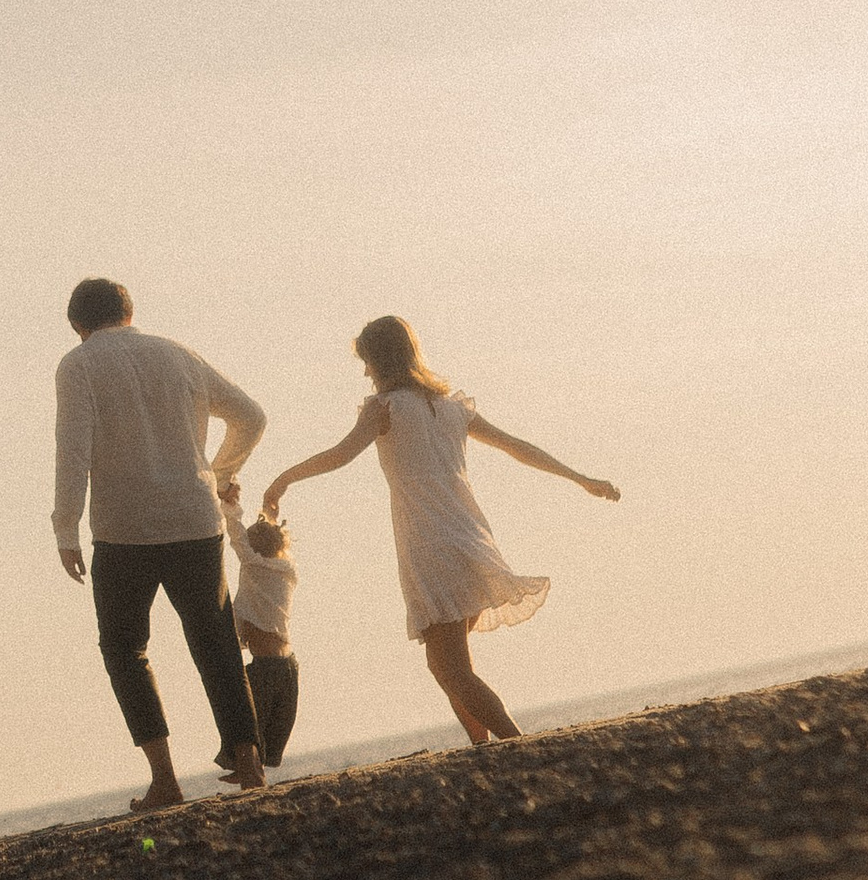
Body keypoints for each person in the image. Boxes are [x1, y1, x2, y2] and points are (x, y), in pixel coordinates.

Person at [263, 312, 618, 748]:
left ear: (381, 359)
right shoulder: (451, 408)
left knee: (450, 668)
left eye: (367, 361)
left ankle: (515, 743)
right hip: (469, 535)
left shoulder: (384, 408)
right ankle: (483, 746)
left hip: (429, 540)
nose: (365, 371)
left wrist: (285, 478)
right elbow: (517, 447)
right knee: (449, 664)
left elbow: (341, 454)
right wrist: (580, 478)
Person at [53, 277, 267, 810]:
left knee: (125, 649)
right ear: (130, 312)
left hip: (125, 529)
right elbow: (251, 416)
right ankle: (248, 762)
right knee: (214, 642)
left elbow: (73, 449)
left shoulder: (78, 366)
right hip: (195, 518)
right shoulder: (177, 354)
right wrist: (219, 473)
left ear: (79, 326)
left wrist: (65, 526)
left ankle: (165, 779)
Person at [218, 475, 301, 765]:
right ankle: (250, 772)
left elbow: (239, 538)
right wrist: (270, 513)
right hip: (288, 665)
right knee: (269, 735)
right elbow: (270, 535)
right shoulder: (287, 570)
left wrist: (231, 507)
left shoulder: (254, 566)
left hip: (267, 667)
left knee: (247, 729)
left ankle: (247, 772)